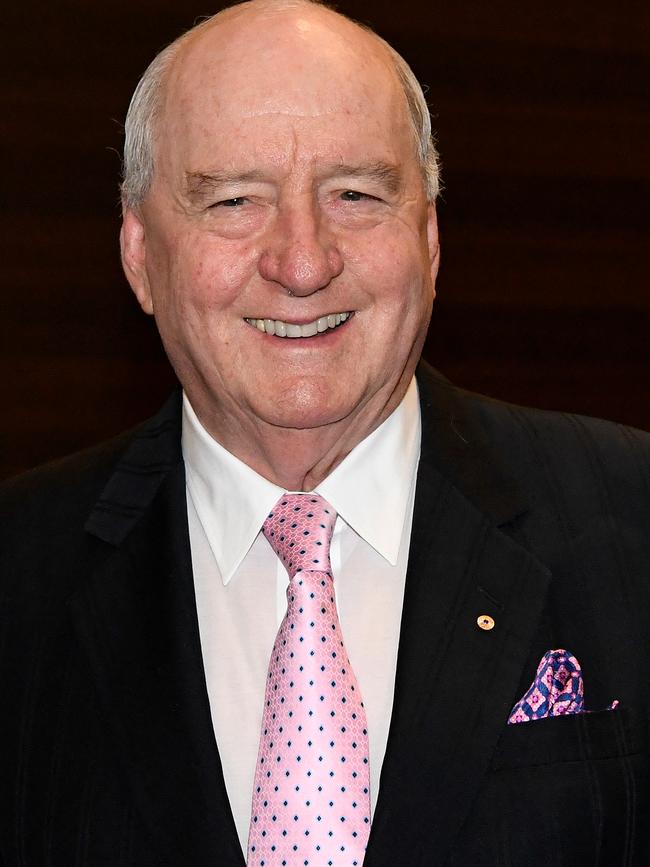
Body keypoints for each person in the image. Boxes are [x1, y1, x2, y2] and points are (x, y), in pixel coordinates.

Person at [0, 1, 648, 864]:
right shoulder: (17, 573)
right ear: (138, 253)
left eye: (355, 194)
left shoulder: (634, 522)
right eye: (234, 200)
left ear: (428, 235)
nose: (303, 262)